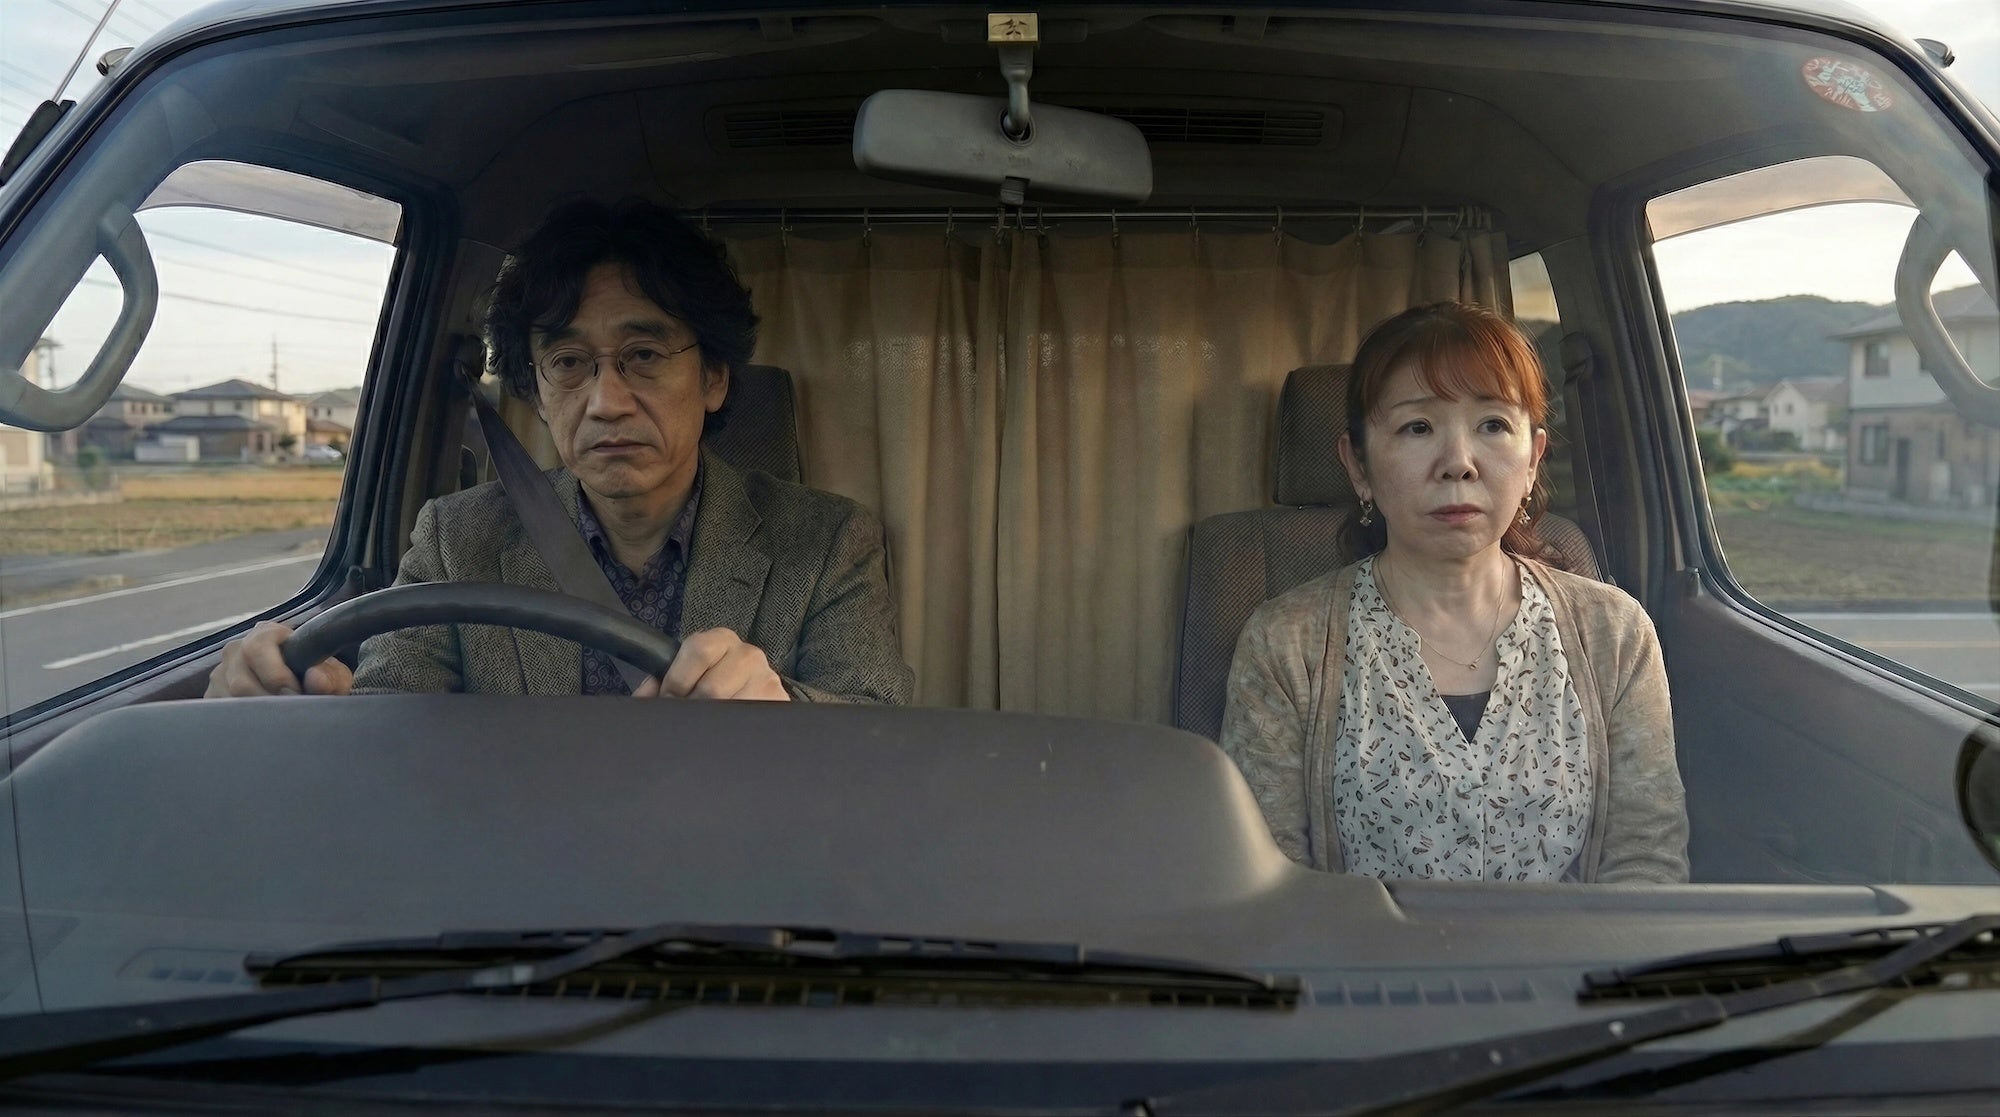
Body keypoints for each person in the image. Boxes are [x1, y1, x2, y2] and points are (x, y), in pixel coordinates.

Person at [207, 199, 913, 705]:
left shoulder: (826, 542)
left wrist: (785, 708)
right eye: (570, 363)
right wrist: (298, 703)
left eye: (644, 355)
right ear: (539, 394)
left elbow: (879, 734)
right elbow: (393, 720)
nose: (605, 401)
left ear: (715, 379)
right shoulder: (456, 539)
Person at [1219, 302, 1687, 882]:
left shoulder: (1613, 632)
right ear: (1358, 466)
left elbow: (1646, 863)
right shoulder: (1285, 643)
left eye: (1492, 425)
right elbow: (1270, 878)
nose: (1458, 464)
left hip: (1574, 944)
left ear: (1533, 459)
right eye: (1418, 427)